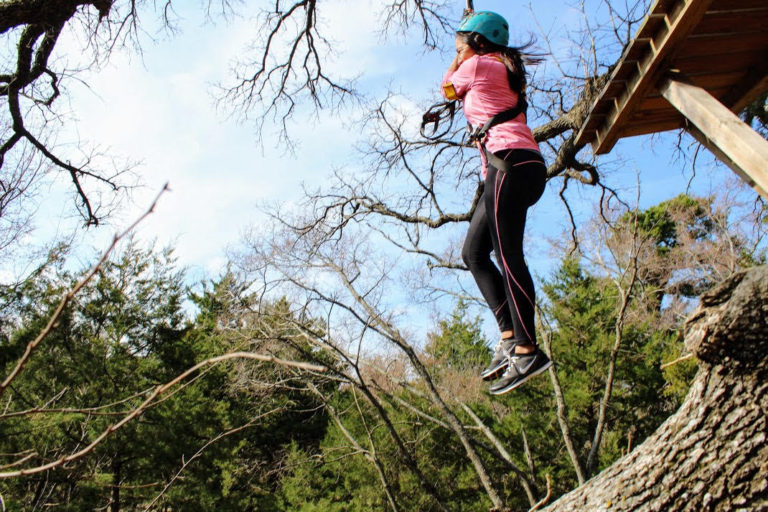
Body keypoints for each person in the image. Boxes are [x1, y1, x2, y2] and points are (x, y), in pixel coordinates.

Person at [441, 10, 551, 394]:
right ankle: (509, 335)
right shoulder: (500, 66)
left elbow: (447, 89)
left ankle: (527, 349)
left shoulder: (480, 64)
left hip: (509, 163)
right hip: (515, 166)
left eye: (460, 47)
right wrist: (465, 42)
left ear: (479, 44)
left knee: (509, 257)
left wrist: (460, 55)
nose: (457, 54)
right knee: (474, 252)